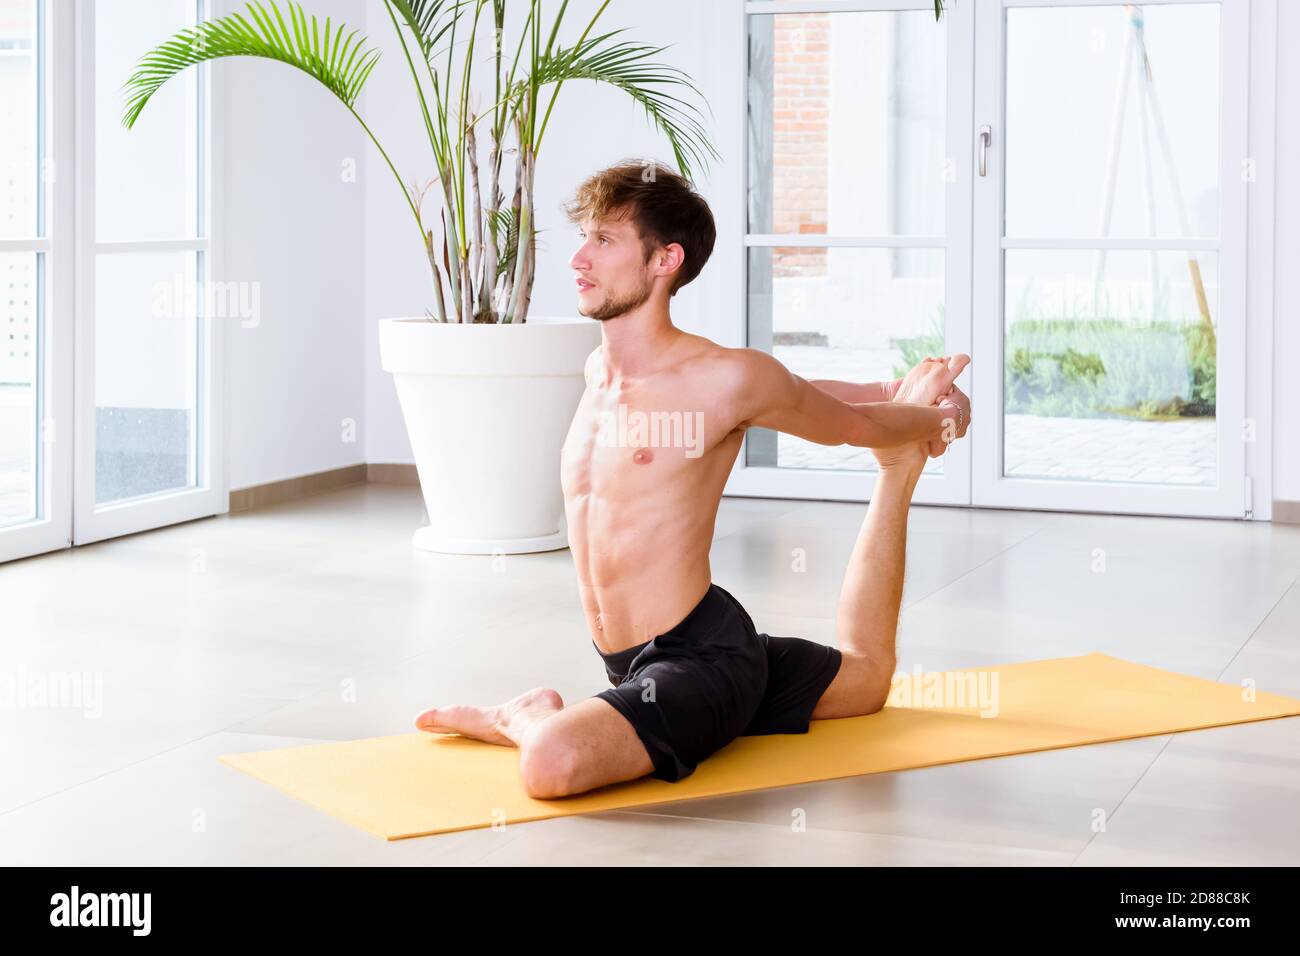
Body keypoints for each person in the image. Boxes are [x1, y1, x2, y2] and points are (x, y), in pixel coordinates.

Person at [414, 160, 971, 797]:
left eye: (604, 240)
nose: (579, 259)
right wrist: (904, 394)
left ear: (664, 260)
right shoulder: (598, 371)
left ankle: (528, 715)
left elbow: (848, 422)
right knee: (866, 683)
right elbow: (822, 392)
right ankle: (899, 473)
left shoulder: (726, 378)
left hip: (701, 662)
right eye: (584, 238)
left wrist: (937, 417)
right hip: (647, 659)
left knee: (552, 763)